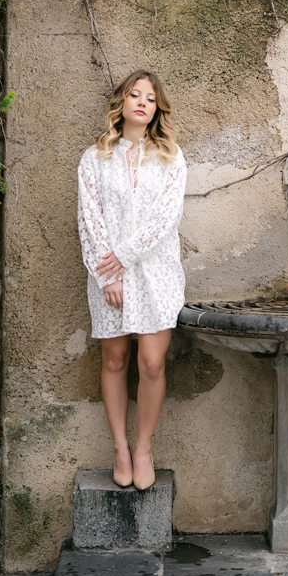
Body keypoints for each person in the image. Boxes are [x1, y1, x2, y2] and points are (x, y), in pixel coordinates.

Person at [77, 70, 187, 491]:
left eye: (151, 98)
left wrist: (124, 257)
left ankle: (143, 449)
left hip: (157, 271)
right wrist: (108, 273)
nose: (142, 102)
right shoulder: (94, 158)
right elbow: (89, 220)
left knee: (152, 362)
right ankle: (120, 449)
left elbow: (166, 218)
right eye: (135, 95)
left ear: (158, 108)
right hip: (108, 275)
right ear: (121, 102)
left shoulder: (171, 156)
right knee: (115, 360)